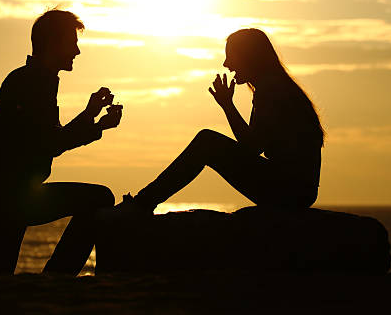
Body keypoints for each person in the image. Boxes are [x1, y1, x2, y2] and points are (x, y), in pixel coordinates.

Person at [0, 9, 122, 276]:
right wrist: (94, 123)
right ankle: (56, 278)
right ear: (54, 43)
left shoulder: (36, 80)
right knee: (100, 198)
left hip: (11, 197)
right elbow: (51, 143)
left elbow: (50, 138)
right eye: (72, 43)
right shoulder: (32, 82)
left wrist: (91, 117)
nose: (77, 52)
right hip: (8, 200)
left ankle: (55, 278)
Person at [118, 28, 324, 213]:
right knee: (207, 142)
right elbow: (254, 145)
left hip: (289, 190)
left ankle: (142, 204)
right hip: (297, 190)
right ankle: (144, 201)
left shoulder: (271, 90)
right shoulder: (274, 86)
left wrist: (228, 106)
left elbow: (251, 147)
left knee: (206, 142)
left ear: (248, 57)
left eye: (230, 56)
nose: (226, 64)